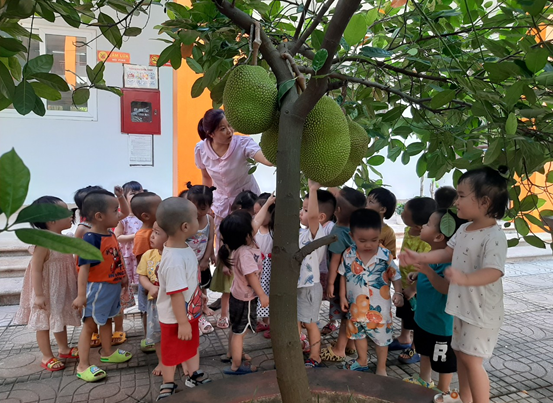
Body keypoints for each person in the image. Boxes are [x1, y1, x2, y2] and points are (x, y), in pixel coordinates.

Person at [399, 167, 509, 403]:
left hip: (481, 312)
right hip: (461, 308)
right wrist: (420, 257)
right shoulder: (464, 229)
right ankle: (464, 399)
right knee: (460, 353)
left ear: (485, 202)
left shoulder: (494, 236)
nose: (456, 202)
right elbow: (446, 253)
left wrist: (466, 279)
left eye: (461, 195)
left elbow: (494, 271)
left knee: (472, 360)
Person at [403, 193, 467, 399]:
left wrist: (427, 272)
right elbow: (428, 274)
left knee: (443, 360)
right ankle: (424, 379)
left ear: (440, 237)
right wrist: (418, 274)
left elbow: (446, 288)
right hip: (424, 319)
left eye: (429, 224)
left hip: (441, 325)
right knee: (424, 351)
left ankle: (443, 389)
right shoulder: (431, 254)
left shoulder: (451, 263)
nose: (423, 226)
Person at [14, 196, 81, 372]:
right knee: (43, 323)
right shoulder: (43, 242)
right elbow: (36, 269)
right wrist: (39, 295)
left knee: (60, 316)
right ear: (51, 220)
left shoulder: (65, 238)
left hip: (61, 288)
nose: (70, 215)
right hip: (45, 289)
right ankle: (46, 356)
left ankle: (64, 349)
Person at [73, 190, 133, 382]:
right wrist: (81, 295)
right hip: (97, 288)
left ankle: (107, 352)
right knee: (90, 326)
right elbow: (83, 269)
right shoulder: (91, 239)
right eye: (115, 210)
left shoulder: (109, 233)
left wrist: (123, 276)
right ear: (99, 216)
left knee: (107, 320)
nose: (119, 214)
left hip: (112, 286)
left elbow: (117, 257)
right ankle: (82, 366)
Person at [155, 197, 211, 401]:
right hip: (175, 319)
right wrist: (182, 323)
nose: (199, 220)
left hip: (188, 314)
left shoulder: (183, 249)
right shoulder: (174, 260)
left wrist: (198, 294)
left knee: (191, 346)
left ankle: (194, 375)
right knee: (171, 352)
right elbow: (176, 294)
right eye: (196, 217)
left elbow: (188, 282)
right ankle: (168, 383)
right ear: (185, 226)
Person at [194, 108, 272, 250]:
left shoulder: (243, 143)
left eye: (230, 126)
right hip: (221, 203)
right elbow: (206, 177)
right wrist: (207, 203)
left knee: (249, 240)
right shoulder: (201, 149)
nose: (230, 131)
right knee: (223, 244)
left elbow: (267, 160)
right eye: (223, 129)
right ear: (210, 133)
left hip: (246, 201)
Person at [339, 208, 404, 375]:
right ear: (352, 236)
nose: (368, 245)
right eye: (362, 240)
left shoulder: (385, 255)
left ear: (379, 235)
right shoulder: (348, 254)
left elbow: (396, 276)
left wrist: (398, 293)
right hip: (355, 307)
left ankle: (381, 367)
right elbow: (343, 275)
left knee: (382, 339)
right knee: (358, 335)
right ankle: (362, 361)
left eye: (374, 240)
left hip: (380, 310)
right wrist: (342, 296)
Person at [218, 210, 269, 375]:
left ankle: (232, 353)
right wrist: (262, 295)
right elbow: (251, 276)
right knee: (240, 333)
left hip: (237, 295)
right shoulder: (245, 253)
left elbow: (257, 221)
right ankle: (236, 365)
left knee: (235, 329)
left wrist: (268, 203)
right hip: (245, 299)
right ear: (247, 234)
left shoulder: (239, 246)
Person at [321, 187, 366, 362]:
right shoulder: (357, 229)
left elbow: (335, 261)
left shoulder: (338, 233)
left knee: (346, 315)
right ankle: (350, 345)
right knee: (351, 314)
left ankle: (339, 349)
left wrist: (330, 283)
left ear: (337, 210)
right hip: (357, 279)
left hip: (343, 281)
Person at [393, 197, 437, 364]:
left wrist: (414, 289)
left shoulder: (426, 241)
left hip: (418, 287)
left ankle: (415, 347)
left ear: (419, 226)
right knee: (405, 313)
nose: (401, 213)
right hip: (406, 282)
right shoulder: (408, 229)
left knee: (417, 318)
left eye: (405, 212)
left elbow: (426, 267)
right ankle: (404, 338)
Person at [210, 191, 259, 329]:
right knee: (227, 292)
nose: (251, 217)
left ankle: (233, 316)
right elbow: (223, 244)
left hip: (239, 265)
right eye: (250, 213)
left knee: (235, 292)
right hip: (230, 263)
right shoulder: (232, 223)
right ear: (240, 208)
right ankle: (224, 316)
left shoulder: (245, 223)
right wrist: (226, 264)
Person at [298, 181, 331, 368]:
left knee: (310, 323)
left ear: (320, 217)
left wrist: (312, 190)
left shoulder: (316, 233)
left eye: (305, 209)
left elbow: (312, 217)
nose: (301, 213)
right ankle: (296, 350)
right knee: (296, 321)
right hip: (298, 286)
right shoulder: (301, 233)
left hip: (310, 287)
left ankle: (316, 355)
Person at [132, 191, 162, 353]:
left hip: (159, 282)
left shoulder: (160, 229)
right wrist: (147, 284)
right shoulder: (143, 236)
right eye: (159, 207)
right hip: (149, 283)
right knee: (147, 310)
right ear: (146, 215)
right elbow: (141, 262)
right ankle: (148, 337)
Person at [185, 182, 217, 334]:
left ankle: (203, 306)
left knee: (202, 284)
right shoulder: (185, 219)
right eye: (195, 207)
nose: (198, 212)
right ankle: (190, 310)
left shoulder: (209, 219)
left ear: (210, 206)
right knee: (189, 286)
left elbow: (210, 239)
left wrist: (207, 258)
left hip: (201, 260)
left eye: (203, 208)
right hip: (186, 261)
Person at [137, 221, 168, 377]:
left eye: (157, 233)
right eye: (152, 231)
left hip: (173, 303)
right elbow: (142, 275)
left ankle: (178, 357)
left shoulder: (176, 256)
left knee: (175, 334)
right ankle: (162, 361)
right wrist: (150, 287)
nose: (152, 236)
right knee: (158, 335)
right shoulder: (148, 255)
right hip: (155, 304)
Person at [252, 193, 276, 338]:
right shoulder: (256, 230)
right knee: (260, 293)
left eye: (260, 212)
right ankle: (265, 321)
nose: (257, 216)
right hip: (258, 267)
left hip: (270, 268)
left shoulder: (274, 231)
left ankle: (272, 324)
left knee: (269, 294)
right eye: (255, 213)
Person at [115, 181, 144, 285]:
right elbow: (117, 237)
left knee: (141, 277)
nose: (137, 196)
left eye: (140, 193)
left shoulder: (145, 216)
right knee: (127, 279)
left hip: (141, 253)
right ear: (124, 198)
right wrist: (136, 236)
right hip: (127, 254)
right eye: (133, 193)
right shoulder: (123, 218)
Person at [366, 187, 398, 257]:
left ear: (382, 209)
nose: (365, 204)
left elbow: (390, 257)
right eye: (366, 200)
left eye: (370, 202)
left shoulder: (388, 233)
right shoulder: (358, 226)